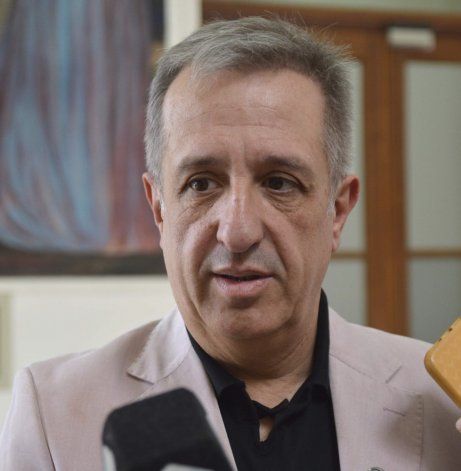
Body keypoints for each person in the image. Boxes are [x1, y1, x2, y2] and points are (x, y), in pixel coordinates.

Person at [1, 17, 460, 470]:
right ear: (159, 209)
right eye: (201, 184)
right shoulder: (55, 416)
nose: (237, 232)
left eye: (279, 182)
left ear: (337, 211)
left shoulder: (438, 399)